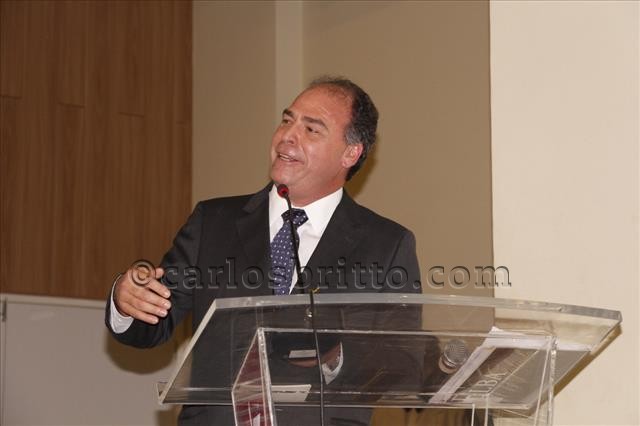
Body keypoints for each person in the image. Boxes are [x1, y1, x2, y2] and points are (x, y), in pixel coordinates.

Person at [106, 77, 422, 425]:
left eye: (311, 129)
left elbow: (404, 364)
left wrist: (335, 359)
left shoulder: (386, 244)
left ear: (351, 153)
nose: (287, 136)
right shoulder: (213, 222)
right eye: (287, 120)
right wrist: (126, 301)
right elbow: (152, 323)